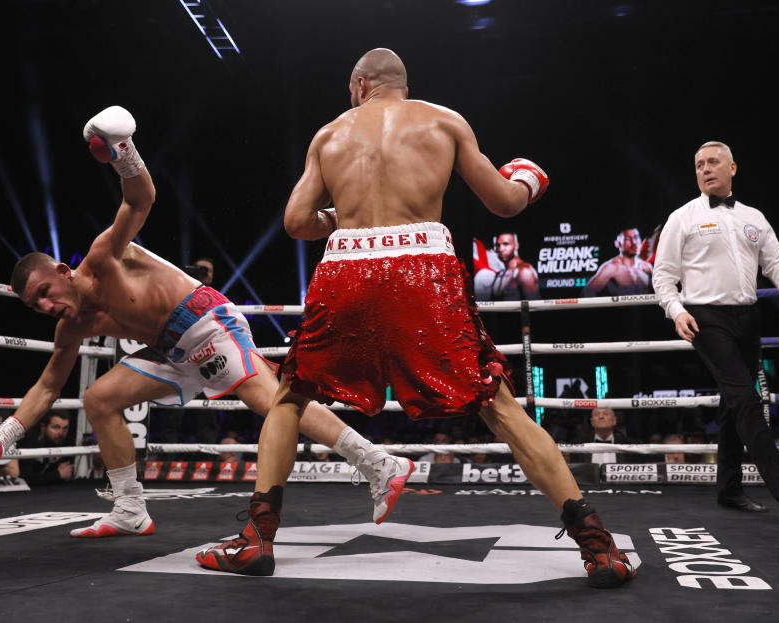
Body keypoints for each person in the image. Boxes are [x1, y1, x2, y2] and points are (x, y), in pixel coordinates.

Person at [198, 48, 636, 588]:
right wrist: (527, 179)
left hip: (346, 272)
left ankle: (256, 540)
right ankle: (599, 548)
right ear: (400, 84)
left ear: (360, 85)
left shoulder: (327, 135)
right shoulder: (443, 120)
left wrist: (342, 215)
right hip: (421, 269)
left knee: (290, 397)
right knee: (495, 403)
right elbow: (504, 203)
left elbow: (295, 222)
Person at [0, 105, 413, 536]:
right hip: (168, 349)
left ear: (60, 271)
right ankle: (129, 508)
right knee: (99, 399)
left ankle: (376, 461)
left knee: (268, 399)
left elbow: (140, 200)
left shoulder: (103, 257)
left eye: (44, 294)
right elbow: (48, 387)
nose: (47, 307)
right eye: (36, 307)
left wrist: (123, 153)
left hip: (205, 320)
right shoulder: (73, 327)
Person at [652, 140, 779, 521]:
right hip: (706, 318)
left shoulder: (754, 216)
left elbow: (776, 261)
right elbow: (662, 275)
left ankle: (729, 489)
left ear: (732, 168)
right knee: (745, 399)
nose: (705, 169)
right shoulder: (682, 217)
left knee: (731, 407)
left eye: (713, 162)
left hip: (748, 318)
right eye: (699, 164)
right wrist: (676, 311)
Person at [582, 228, 653, 297]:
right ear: (617, 243)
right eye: (628, 239)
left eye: (636, 237)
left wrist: (652, 274)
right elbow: (586, 293)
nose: (634, 242)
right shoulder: (611, 268)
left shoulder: (647, 267)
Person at [13, 411, 74, 485]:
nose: (61, 433)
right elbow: (24, 477)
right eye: (56, 427)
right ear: (43, 427)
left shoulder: (67, 442)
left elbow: (66, 475)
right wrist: (56, 475)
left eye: (65, 428)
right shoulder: (28, 442)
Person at [568, 408, 640, 464]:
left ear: (614, 420)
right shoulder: (578, 445)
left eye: (605, 414)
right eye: (597, 414)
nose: (601, 416)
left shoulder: (630, 445)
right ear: (592, 422)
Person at [489, 232, 540, 300]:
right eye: (498, 245)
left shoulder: (524, 271)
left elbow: (534, 305)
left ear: (516, 246)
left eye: (506, 244)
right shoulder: (500, 274)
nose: (500, 249)